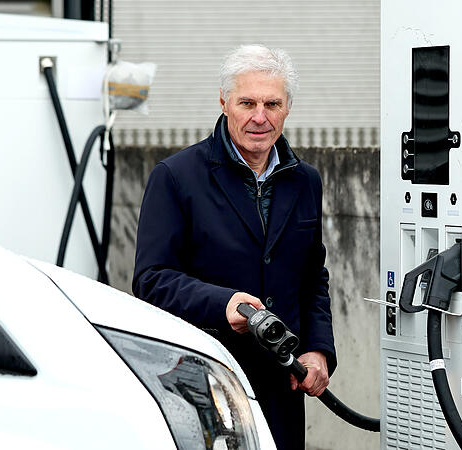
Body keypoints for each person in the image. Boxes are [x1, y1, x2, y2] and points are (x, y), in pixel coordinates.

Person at [132, 44, 336, 450]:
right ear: (224, 102)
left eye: (272, 103)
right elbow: (150, 280)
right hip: (204, 380)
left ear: (288, 108)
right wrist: (223, 304)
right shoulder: (175, 176)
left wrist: (317, 350)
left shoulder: (305, 180)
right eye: (247, 102)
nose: (260, 117)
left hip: (283, 385)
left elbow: (313, 276)